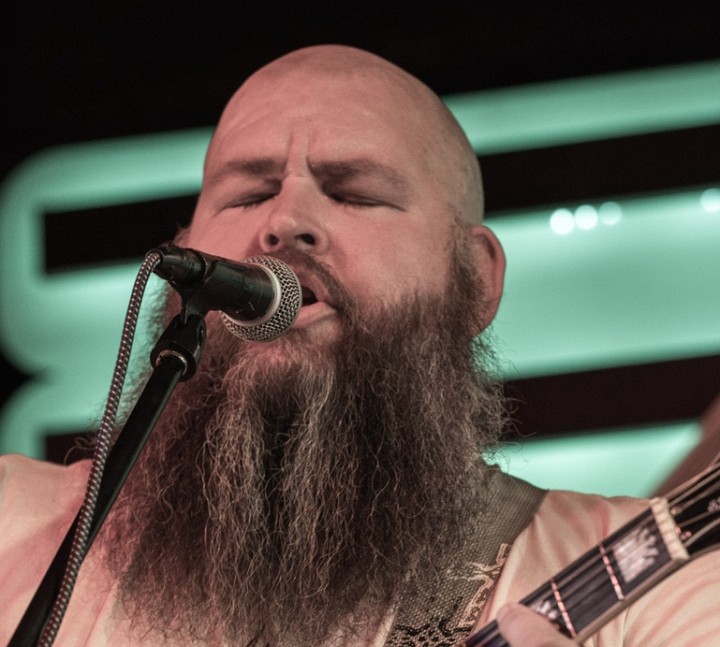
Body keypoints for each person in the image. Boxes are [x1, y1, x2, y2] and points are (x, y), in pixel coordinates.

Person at [1, 44, 719, 647]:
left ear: (474, 280)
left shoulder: (652, 578)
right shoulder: (13, 523)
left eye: (354, 193)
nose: (285, 221)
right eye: (248, 194)